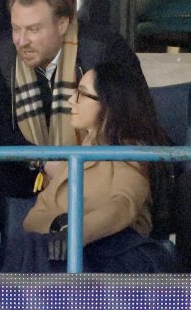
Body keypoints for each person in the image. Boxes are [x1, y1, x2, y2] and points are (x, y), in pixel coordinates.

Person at [0, 0, 144, 170]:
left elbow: (132, 120)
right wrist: (41, 161)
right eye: (16, 29)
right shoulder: (3, 52)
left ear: (62, 25)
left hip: (100, 167)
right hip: (24, 171)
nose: (22, 41)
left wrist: (75, 167)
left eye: (33, 30)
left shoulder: (104, 50)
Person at [20, 62, 176, 273]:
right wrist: (57, 226)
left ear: (108, 104)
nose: (71, 100)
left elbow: (123, 204)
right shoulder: (73, 158)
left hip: (112, 258)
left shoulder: (131, 153)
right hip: (57, 257)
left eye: (82, 94)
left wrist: (76, 231)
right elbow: (33, 218)